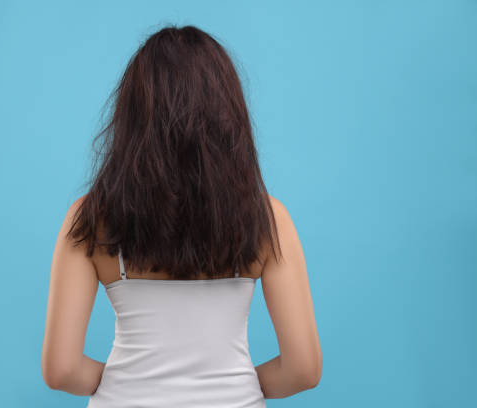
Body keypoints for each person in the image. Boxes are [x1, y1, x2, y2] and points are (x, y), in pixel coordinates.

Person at [41, 24, 322, 407]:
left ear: (133, 115)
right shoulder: (267, 218)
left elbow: (61, 370)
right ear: (227, 115)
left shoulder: (90, 219)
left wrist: (129, 380)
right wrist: (227, 385)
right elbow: (303, 369)